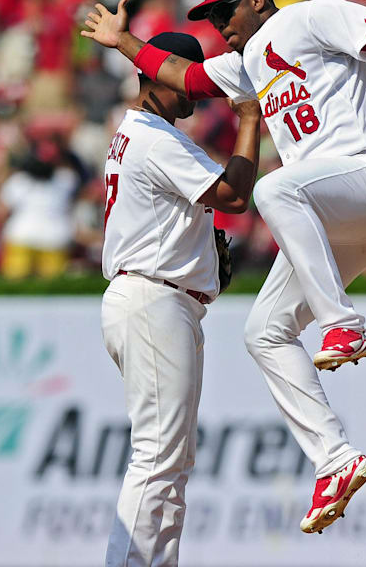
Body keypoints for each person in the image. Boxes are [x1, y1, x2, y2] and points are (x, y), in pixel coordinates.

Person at [81, 0, 366, 534]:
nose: (218, 24)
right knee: (263, 332)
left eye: (224, 10)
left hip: (364, 178)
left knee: (272, 187)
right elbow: (185, 79)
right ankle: (335, 458)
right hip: (331, 213)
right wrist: (124, 44)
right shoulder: (244, 64)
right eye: (209, 16)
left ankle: (343, 324)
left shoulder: (311, 16)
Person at [98, 32, 260, 567]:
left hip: (156, 296)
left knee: (170, 458)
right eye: (184, 73)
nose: (194, 86)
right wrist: (250, 120)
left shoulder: (140, 131)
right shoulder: (155, 137)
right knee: (158, 457)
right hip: (154, 298)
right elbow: (234, 196)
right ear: (156, 74)